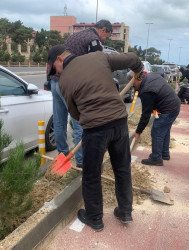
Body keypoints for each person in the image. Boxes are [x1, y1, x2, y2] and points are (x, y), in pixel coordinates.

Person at [47, 45, 142, 231]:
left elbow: (75, 113)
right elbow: (132, 58)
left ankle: (94, 218)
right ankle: (125, 212)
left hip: (95, 129)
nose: (56, 73)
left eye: (54, 69)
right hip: (119, 122)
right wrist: (138, 71)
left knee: (91, 175)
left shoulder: (64, 80)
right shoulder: (99, 57)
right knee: (122, 169)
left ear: (59, 59)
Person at [49, 19, 113, 168]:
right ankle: (81, 161)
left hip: (55, 82)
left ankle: (62, 158)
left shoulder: (76, 35)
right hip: (70, 84)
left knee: (59, 122)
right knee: (79, 123)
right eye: (107, 36)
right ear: (103, 30)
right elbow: (97, 66)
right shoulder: (94, 41)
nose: (105, 39)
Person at [133, 72, 181, 166]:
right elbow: (153, 105)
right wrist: (156, 112)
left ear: (138, 79)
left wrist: (138, 131)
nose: (133, 86)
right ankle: (164, 153)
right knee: (165, 131)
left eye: (132, 83)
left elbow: (145, 115)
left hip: (168, 109)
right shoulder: (151, 75)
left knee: (157, 131)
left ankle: (156, 158)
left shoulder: (147, 90)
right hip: (174, 105)